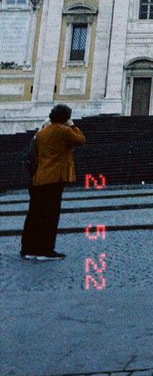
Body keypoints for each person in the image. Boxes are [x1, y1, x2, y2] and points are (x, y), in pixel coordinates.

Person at [20, 104, 86, 261]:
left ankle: (28, 248)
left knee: (34, 214)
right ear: (65, 117)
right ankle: (45, 250)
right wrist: (72, 124)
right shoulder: (63, 131)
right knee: (50, 215)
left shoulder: (42, 133)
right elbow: (81, 140)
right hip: (54, 178)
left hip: (39, 178)